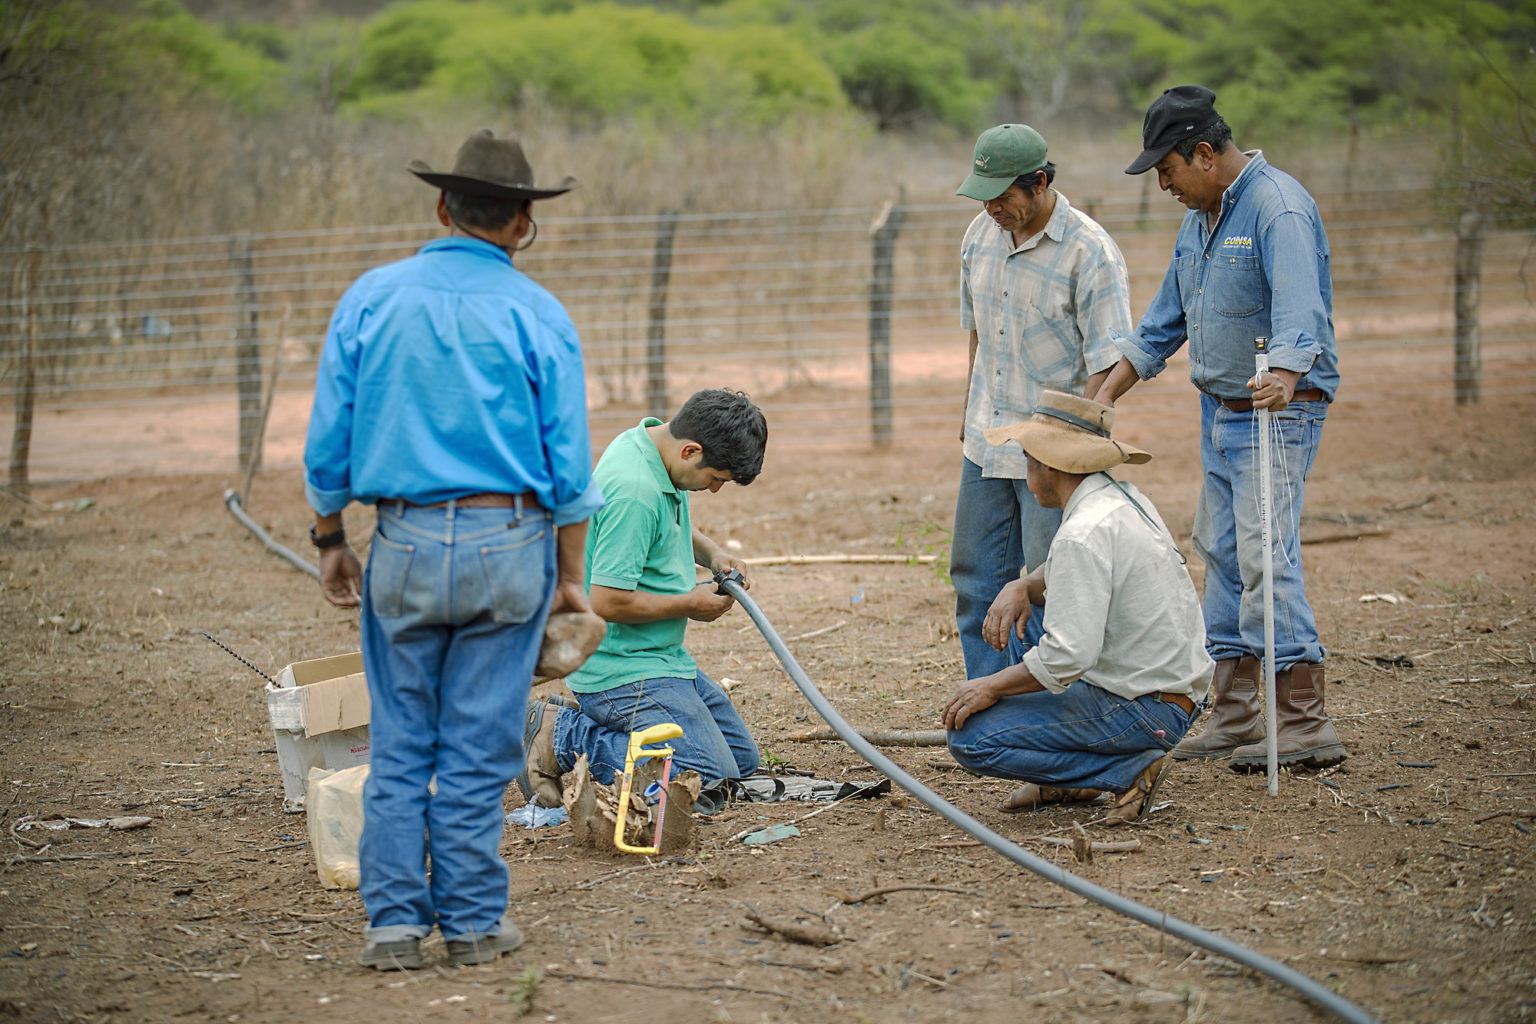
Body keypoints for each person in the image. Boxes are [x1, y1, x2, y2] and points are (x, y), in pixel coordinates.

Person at [303, 129, 602, 970]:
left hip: (399, 541)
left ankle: (393, 925)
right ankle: (472, 923)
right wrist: (570, 579)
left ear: (441, 206)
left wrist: (331, 540)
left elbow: (327, 449)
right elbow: (570, 474)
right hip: (507, 548)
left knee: (402, 742)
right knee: (479, 746)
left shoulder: (371, 297)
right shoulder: (539, 314)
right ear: (522, 223)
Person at [1091, 85, 1346, 771]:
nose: (1164, 186)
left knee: (1266, 555)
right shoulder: (1200, 221)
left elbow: (1302, 310)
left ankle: (1304, 719)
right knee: (1224, 555)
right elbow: (1163, 323)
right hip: (1221, 411)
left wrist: (1288, 372)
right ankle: (1235, 715)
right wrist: (1106, 393)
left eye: (1167, 172)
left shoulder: (1277, 207)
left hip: (1276, 412)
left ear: (1204, 154)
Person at [942, 391, 1213, 825]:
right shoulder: (1123, 499)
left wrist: (990, 686)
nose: (1025, 473)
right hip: (1172, 694)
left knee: (971, 740)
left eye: (1027, 460)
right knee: (1025, 633)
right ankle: (1078, 775)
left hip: (1141, 706)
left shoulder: (1079, 534)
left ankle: (1121, 771)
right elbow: (1071, 571)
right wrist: (1023, 584)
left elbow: (1069, 656)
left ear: (1047, 465)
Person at [518, 389, 767, 808]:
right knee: (705, 775)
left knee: (741, 761)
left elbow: (665, 525)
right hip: (620, 669)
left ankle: (574, 725)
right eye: (716, 479)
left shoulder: (653, 446)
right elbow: (607, 602)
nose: (716, 489)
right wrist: (690, 603)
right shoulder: (633, 491)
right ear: (691, 451)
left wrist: (712, 554)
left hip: (658, 658)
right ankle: (560, 734)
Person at [953, 123, 1135, 680]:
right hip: (988, 439)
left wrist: (1072, 449)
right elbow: (978, 334)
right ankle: (989, 701)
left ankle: (1058, 710)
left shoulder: (1090, 252)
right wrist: (967, 413)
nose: (991, 207)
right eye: (983, 194)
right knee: (975, 578)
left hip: (1053, 451)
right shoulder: (978, 238)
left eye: (1003, 195)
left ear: (1039, 183)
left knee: (1056, 583)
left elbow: (1110, 361)